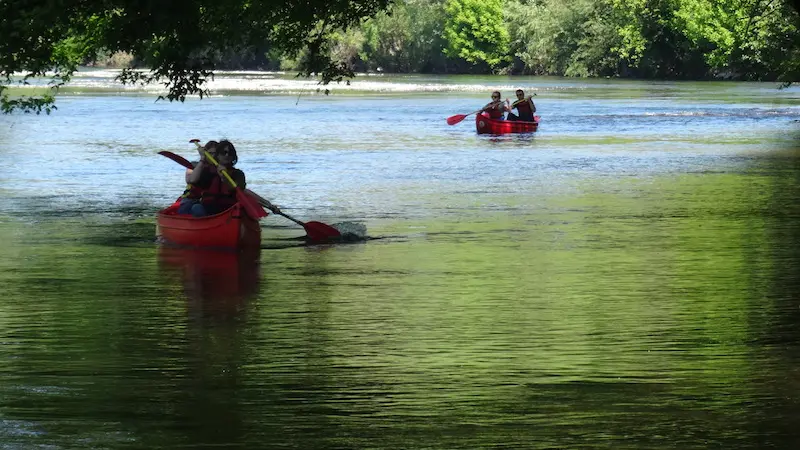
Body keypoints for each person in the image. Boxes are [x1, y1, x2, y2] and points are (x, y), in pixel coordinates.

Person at [178, 140, 246, 217]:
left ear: (234, 156)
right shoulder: (208, 171)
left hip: (229, 208)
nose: (227, 155)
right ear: (218, 155)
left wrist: (224, 177)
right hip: (210, 207)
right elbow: (193, 181)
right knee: (196, 208)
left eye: (230, 153)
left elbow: (238, 188)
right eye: (223, 153)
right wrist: (202, 159)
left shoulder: (238, 174)